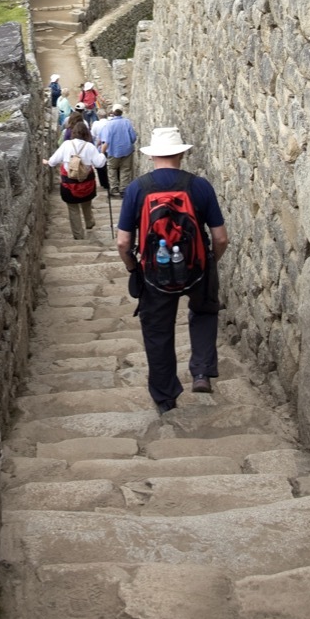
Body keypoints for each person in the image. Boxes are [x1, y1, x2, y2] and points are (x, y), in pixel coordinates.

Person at [116, 126, 229, 414]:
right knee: (204, 312)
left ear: (152, 156)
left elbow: (123, 241)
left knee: (158, 331)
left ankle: (166, 398)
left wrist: (133, 267)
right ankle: (201, 372)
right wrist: (210, 261)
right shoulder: (200, 186)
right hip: (198, 267)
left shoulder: (137, 189)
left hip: (154, 273)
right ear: (181, 153)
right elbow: (220, 237)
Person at [44, 119, 107, 240]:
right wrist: (103, 155)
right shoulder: (89, 146)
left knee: (73, 209)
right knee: (86, 203)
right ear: (86, 133)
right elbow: (99, 164)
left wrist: (47, 162)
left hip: (69, 184)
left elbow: (53, 161)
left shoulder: (66, 145)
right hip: (86, 183)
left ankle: (78, 235)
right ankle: (89, 222)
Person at [100, 104, 137, 196]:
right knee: (125, 169)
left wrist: (102, 152)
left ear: (113, 112)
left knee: (112, 168)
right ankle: (123, 189)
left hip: (113, 151)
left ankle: (114, 188)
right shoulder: (127, 122)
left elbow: (106, 141)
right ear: (122, 112)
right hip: (127, 150)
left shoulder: (109, 124)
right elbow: (133, 137)